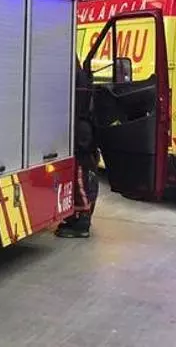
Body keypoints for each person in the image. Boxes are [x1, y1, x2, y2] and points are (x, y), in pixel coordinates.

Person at [56, 60, 99, 238]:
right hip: (85, 132)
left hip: (81, 134)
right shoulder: (83, 77)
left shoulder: (76, 77)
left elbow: (75, 107)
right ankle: (77, 217)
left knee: (81, 176)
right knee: (84, 175)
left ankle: (82, 222)